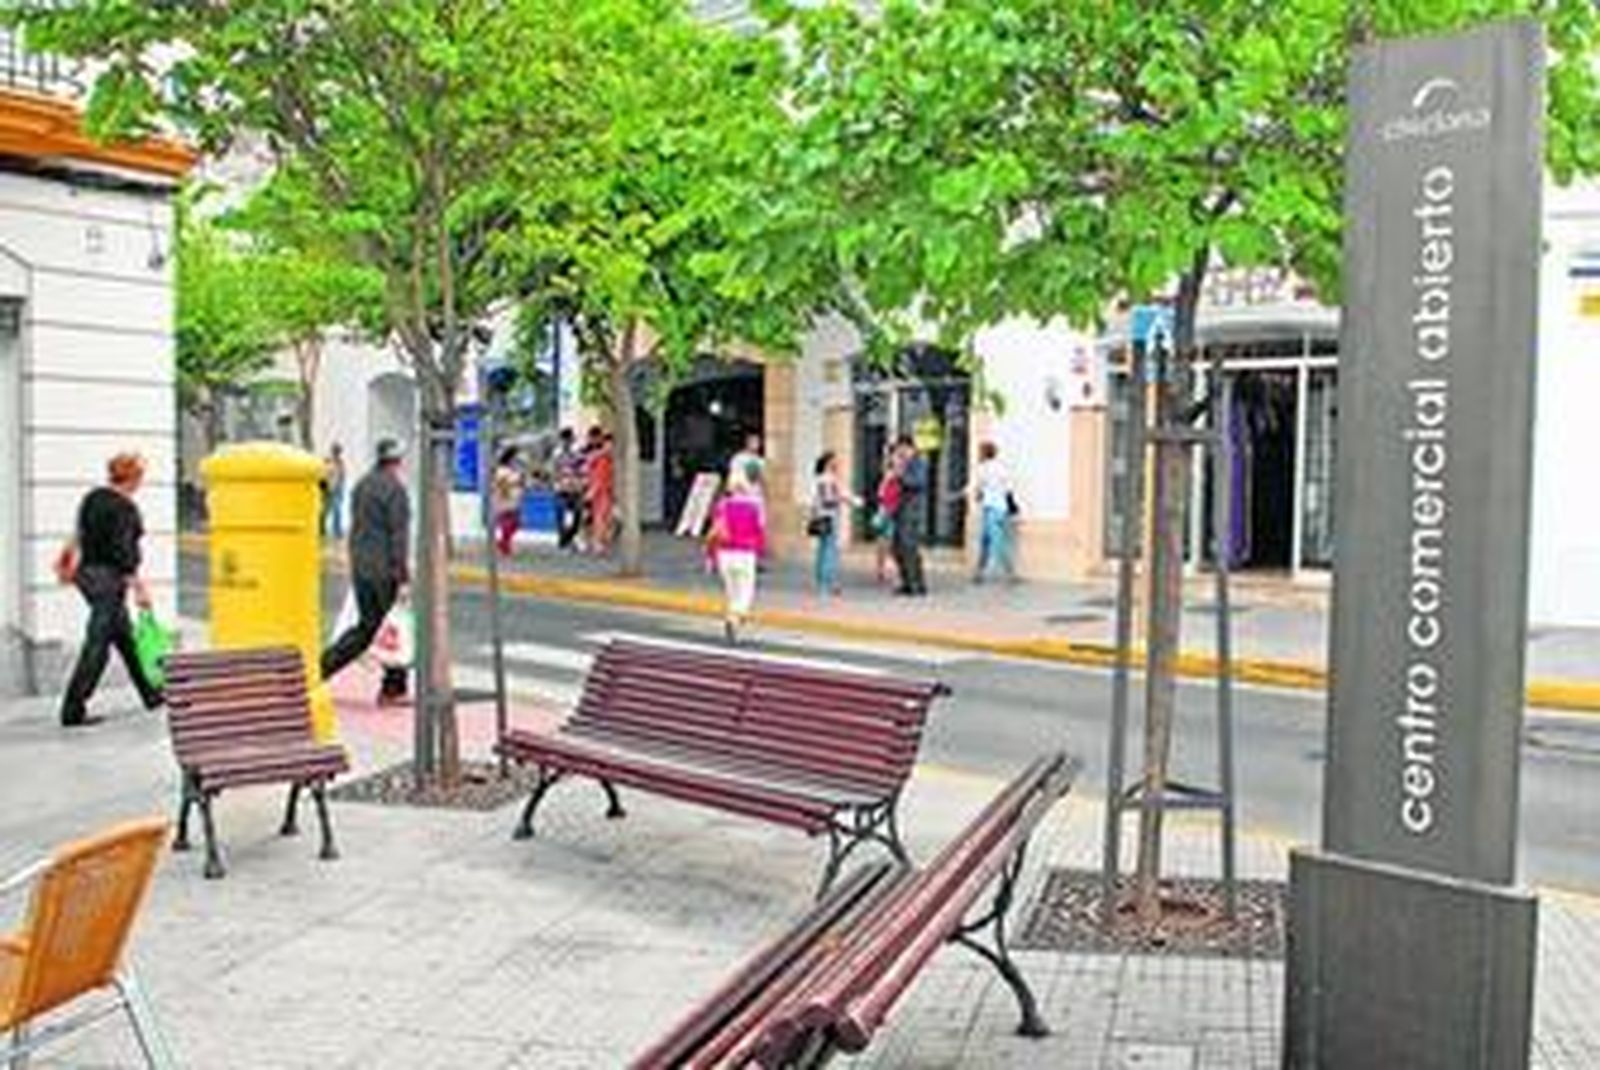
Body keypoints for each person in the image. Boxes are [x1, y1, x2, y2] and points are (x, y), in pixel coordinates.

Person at [57, 452, 164, 728]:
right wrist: (139, 587)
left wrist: (65, 557)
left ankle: (150, 694)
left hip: (87, 576)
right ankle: (73, 708)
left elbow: (79, 532)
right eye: (140, 475)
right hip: (108, 580)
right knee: (98, 645)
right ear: (133, 477)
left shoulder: (93, 497)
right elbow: (124, 553)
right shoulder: (125, 508)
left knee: (125, 638)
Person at [321, 438, 411, 704]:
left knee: (368, 627)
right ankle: (393, 688)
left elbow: (357, 529)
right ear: (398, 461)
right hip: (385, 570)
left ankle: (321, 669)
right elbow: (398, 536)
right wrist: (403, 577)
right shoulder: (395, 490)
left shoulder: (362, 485)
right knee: (393, 627)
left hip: (362, 567)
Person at [709, 467, 766, 643]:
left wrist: (711, 557)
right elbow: (758, 533)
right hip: (745, 554)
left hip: (724, 554)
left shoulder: (721, 507)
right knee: (745, 593)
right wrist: (760, 553)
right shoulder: (752, 508)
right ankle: (733, 620)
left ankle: (733, 622)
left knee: (732, 593)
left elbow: (714, 533)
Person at [809, 451, 860, 597]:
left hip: (821, 516)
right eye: (835, 461)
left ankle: (824, 583)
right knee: (829, 551)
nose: (838, 464)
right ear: (828, 463)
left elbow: (817, 501)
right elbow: (829, 499)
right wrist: (848, 500)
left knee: (823, 550)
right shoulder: (828, 480)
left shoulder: (819, 479)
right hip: (829, 517)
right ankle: (827, 585)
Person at [968, 440, 1018, 583]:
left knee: (993, 540)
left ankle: (1007, 572)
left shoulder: (982, 468)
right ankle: (981, 571)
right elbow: (1008, 488)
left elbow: (976, 487)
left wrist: (975, 494)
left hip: (990, 507)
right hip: (1000, 507)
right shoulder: (1001, 468)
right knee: (990, 539)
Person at [889, 435, 928, 596]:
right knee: (898, 547)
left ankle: (916, 585)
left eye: (901, 449)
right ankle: (906, 581)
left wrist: (900, 476)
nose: (899, 453)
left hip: (912, 510)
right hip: (901, 508)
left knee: (909, 546)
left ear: (908, 447)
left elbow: (918, 482)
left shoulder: (919, 462)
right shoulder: (904, 463)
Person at [873, 444, 902, 587]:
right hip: (889, 509)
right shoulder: (892, 474)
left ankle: (881, 570)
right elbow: (882, 493)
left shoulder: (886, 473)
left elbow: (880, 493)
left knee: (883, 541)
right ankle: (889, 572)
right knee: (888, 542)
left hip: (885, 508)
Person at [552, 427, 585, 551]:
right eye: (565, 439)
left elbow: (583, 469)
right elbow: (554, 471)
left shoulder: (578, 453)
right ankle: (563, 540)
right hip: (561, 489)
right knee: (560, 516)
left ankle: (568, 537)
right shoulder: (556, 454)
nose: (567, 442)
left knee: (578, 516)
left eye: (569, 439)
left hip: (576, 489)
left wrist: (581, 482)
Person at [585, 428, 616, 556]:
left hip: (604, 490)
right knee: (600, 518)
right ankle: (598, 545)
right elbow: (598, 476)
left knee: (604, 519)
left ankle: (599, 544)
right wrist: (592, 490)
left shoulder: (603, 457)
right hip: (600, 491)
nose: (611, 447)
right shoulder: (599, 456)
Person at [491, 445, 526, 557]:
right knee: (509, 522)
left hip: (514, 498)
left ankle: (504, 542)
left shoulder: (514, 469)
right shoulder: (502, 470)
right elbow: (501, 483)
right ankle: (505, 544)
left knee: (515, 523)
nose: (517, 460)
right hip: (506, 499)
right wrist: (507, 490)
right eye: (515, 457)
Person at [321, 443, 347, 540]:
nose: (338, 453)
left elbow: (342, 477)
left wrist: (341, 490)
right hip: (329, 489)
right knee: (326, 510)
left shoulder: (341, 463)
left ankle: (337, 531)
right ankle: (322, 530)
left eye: (339, 451)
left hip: (336, 489)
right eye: (336, 451)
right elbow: (324, 475)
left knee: (336, 510)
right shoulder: (328, 462)